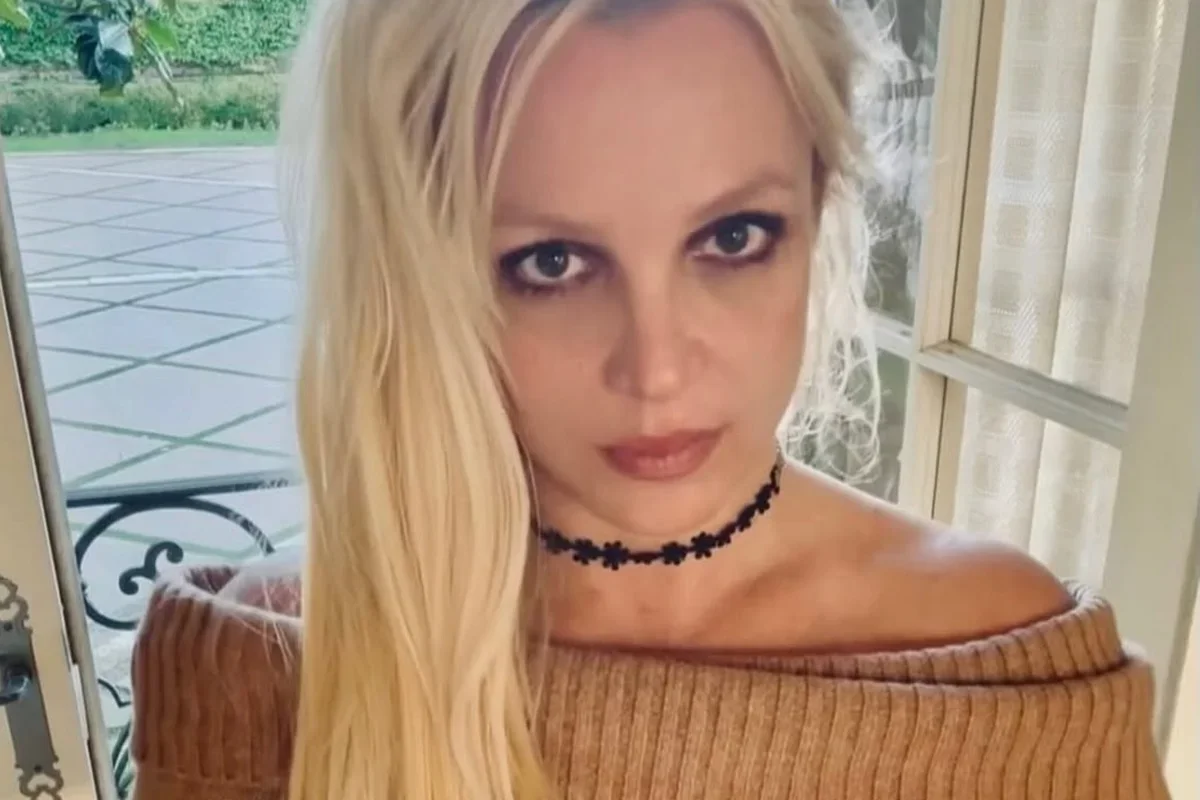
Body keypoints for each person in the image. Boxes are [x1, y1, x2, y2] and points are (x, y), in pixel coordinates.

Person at [130, 0, 1169, 798]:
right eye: (550, 262)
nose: (657, 369)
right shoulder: (264, 666)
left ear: (818, 206)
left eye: (733, 238)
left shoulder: (1009, 669)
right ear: (421, 275)